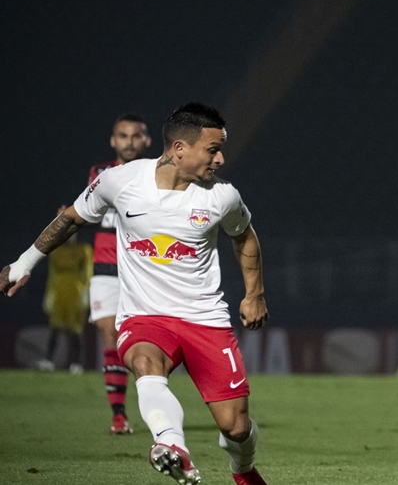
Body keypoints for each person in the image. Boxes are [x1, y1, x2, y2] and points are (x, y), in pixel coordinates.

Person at [2, 103, 269, 485]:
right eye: (213, 149)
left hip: (203, 319)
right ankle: (173, 447)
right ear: (179, 149)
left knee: (237, 427)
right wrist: (24, 263)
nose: (221, 158)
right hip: (144, 315)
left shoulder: (221, 197)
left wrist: (254, 295)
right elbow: (71, 218)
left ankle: (242, 469)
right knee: (145, 362)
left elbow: (244, 236)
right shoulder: (120, 181)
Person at [89, 112, 153, 435]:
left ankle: (157, 411)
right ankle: (119, 414)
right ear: (114, 140)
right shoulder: (99, 174)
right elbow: (89, 211)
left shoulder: (157, 174)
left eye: (135, 136)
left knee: (146, 344)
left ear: (146, 140)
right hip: (105, 268)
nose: (129, 142)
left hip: (144, 267)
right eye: (123, 136)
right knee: (109, 336)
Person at [37, 206, 93, 375]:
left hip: (76, 293)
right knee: (55, 328)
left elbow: (88, 274)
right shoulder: (56, 251)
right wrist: (49, 295)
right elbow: (52, 274)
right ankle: (48, 361)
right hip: (59, 292)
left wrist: (86, 295)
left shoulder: (83, 251)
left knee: (75, 330)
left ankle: (76, 363)